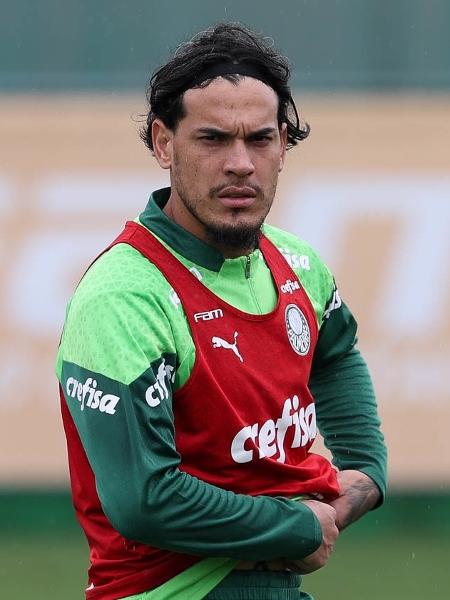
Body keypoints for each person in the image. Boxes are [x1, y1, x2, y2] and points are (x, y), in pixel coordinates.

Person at [56, 22, 387, 600]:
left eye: (259, 139)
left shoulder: (298, 263)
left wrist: (366, 472)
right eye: (212, 140)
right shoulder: (126, 293)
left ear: (284, 145)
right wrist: (297, 525)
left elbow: (336, 354)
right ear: (163, 143)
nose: (240, 163)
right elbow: (146, 500)